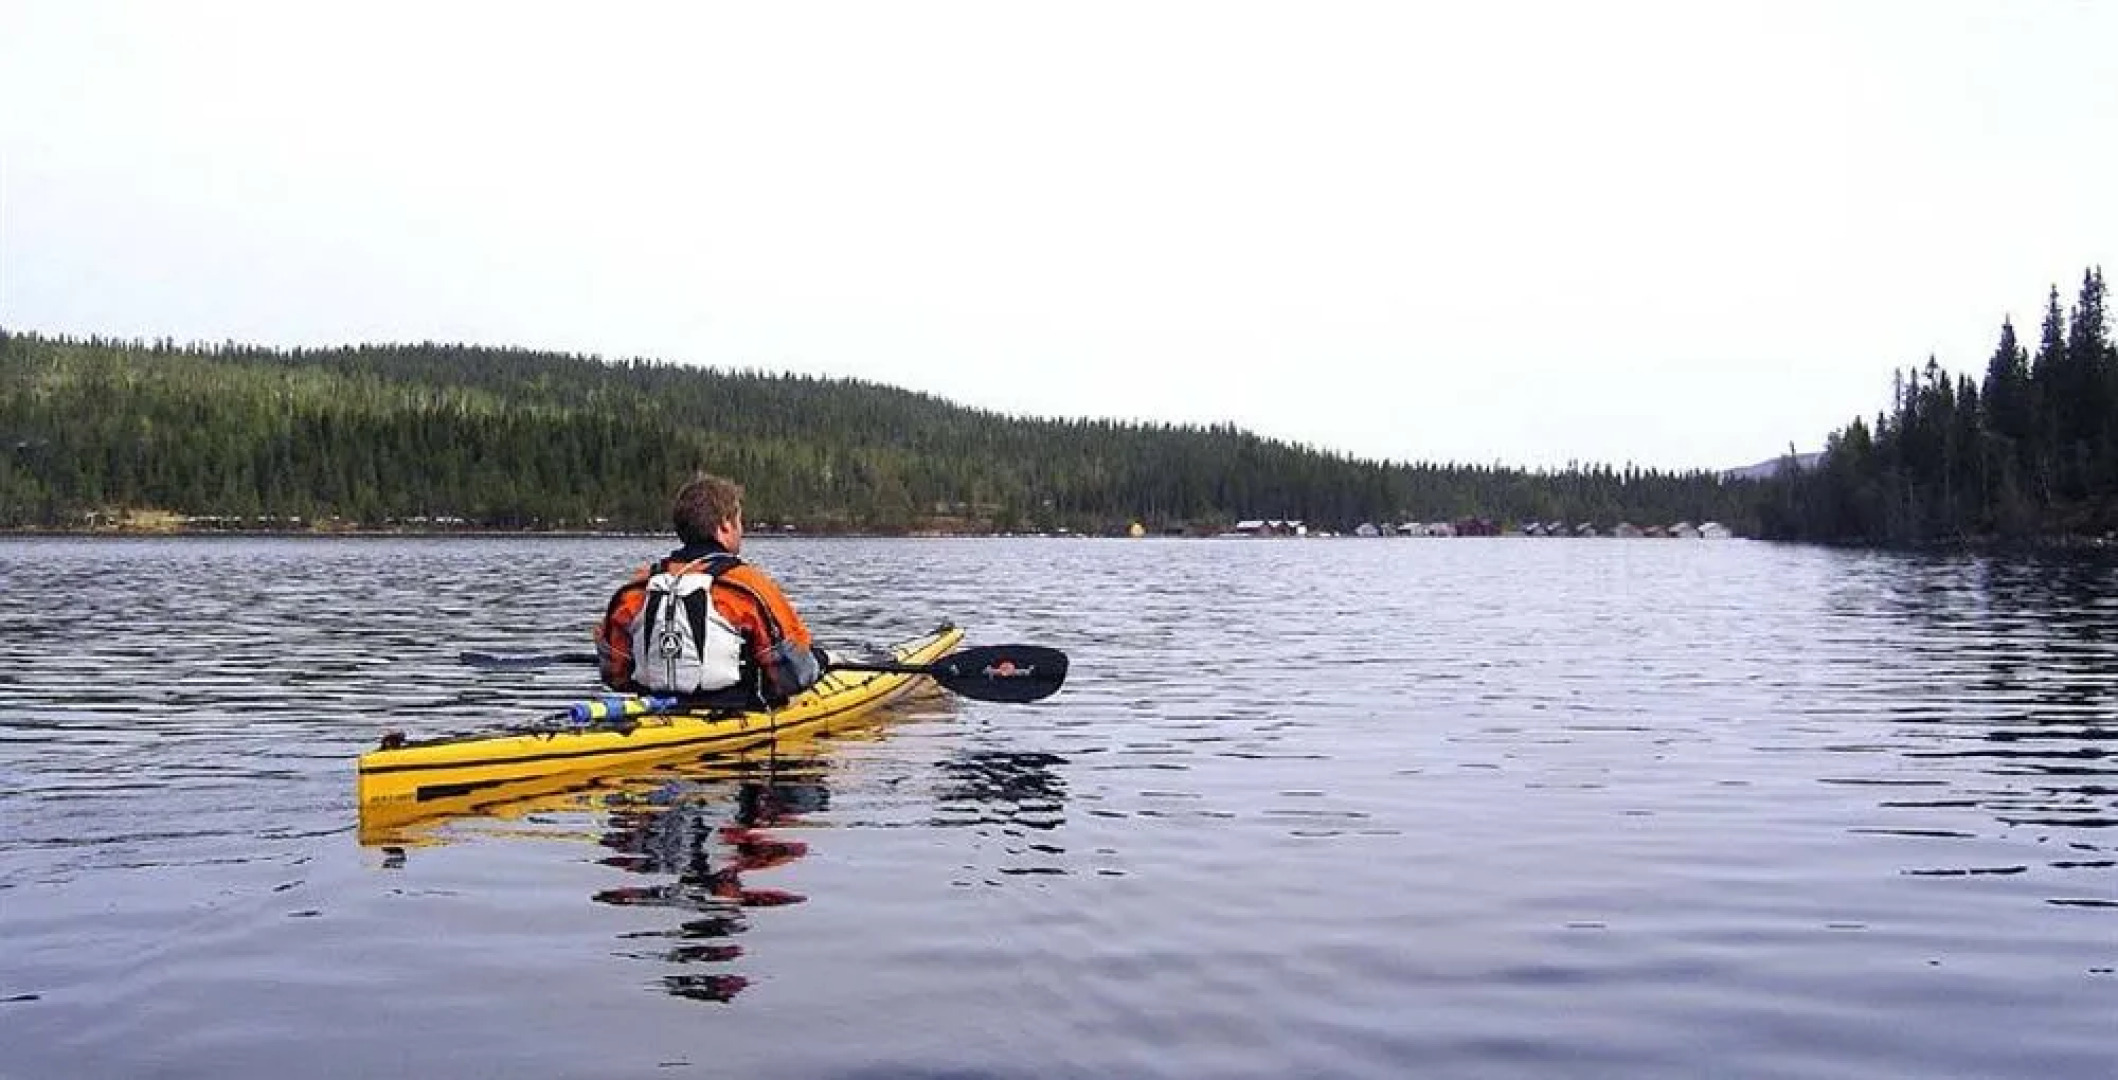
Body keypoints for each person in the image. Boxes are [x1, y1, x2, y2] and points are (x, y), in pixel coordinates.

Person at [596, 473, 824, 705]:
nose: (741, 530)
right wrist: (819, 661)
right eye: (739, 521)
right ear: (725, 525)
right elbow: (794, 677)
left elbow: (615, 674)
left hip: (653, 709)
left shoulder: (636, 588)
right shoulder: (747, 586)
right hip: (732, 710)